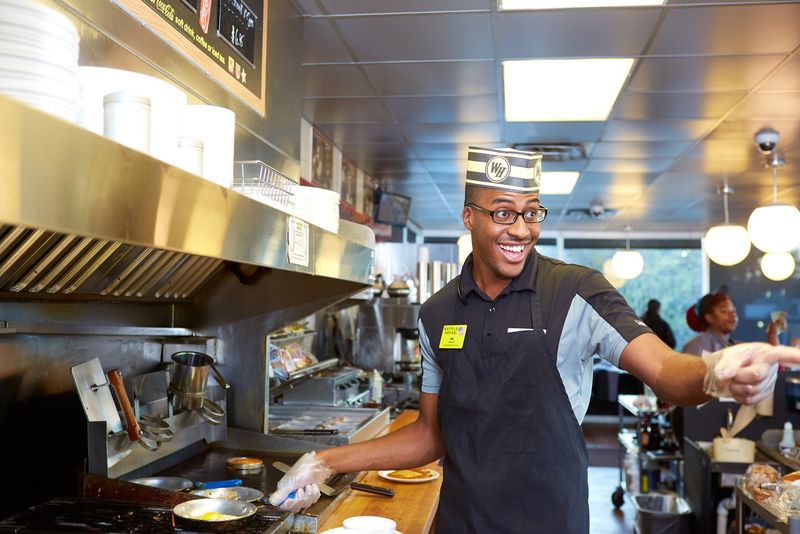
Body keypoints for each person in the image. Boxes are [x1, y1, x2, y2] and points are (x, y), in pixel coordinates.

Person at [269, 146, 800, 533]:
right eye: (503, 212)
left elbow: (663, 371)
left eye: (531, 212)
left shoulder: (577, 291)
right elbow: (430, 435)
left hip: (551, 521)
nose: (521, 229)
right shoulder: (435, 314)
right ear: (468, 216)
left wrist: (714, 372)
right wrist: (326, 461)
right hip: (461, 522)